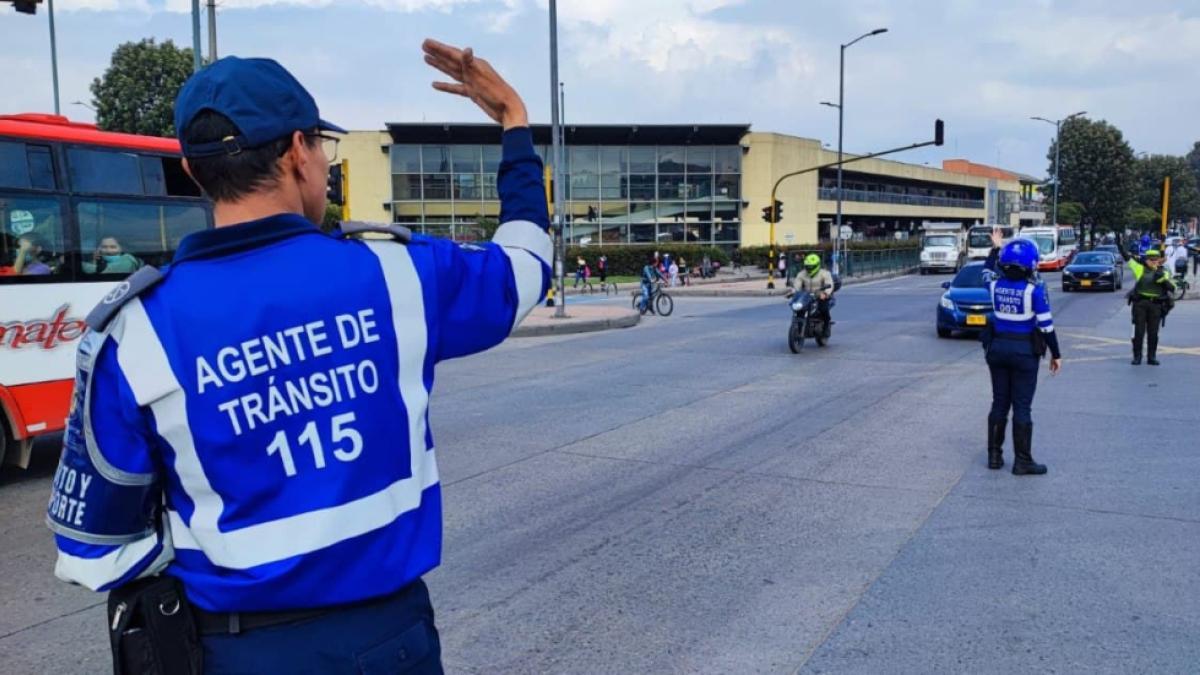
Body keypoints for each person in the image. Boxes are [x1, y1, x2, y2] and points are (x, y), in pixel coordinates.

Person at [46, 43, 551, 673]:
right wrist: (514, 123)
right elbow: (524, 270)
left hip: (232, 651)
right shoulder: (397, 275)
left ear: (199, 173)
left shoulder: (134, 329)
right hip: (388, 642)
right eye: (321, 148)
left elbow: (96, 550)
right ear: (294, 153)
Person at [981, 229, 1062, 475]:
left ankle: (994, 456)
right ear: (1032, 264)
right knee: (1022, 406)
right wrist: (1056, 354)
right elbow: (1046, 326)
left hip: (997, 349)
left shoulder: (994, 284)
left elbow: (986, 269)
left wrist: (996, 247)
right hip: (1024, 352)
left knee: (999, 402)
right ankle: (1022, 461)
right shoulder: (1035, 290)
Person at [1117, 236, 1175, 365]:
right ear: (1146, 260)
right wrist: (1121, 247)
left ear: (1159, 260)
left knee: (1153, 333)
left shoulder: (1163, 272)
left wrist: (1163, 280)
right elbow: (1128, 259)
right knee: (1138, 332)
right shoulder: (1140, 269)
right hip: (1140, 304)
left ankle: (1151, 357)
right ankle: (1137, 357)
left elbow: (1173, 287)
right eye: (1151, 260)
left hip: (1156, 305)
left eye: (1156, 260)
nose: (1153, 262)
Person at [791, 253, 835, 336]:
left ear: (817, 265)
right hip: (806, 296)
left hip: (820, 296)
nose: (809, 268)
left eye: (811, 266)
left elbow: (829, 284)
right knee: (798, 308)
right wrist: (793, 292)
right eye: (807, 266)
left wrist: (825, 293)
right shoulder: (802, 274)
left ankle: (826, 326)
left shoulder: (825, 273)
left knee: (823, 309)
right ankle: (799, 326)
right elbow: (797, 285)